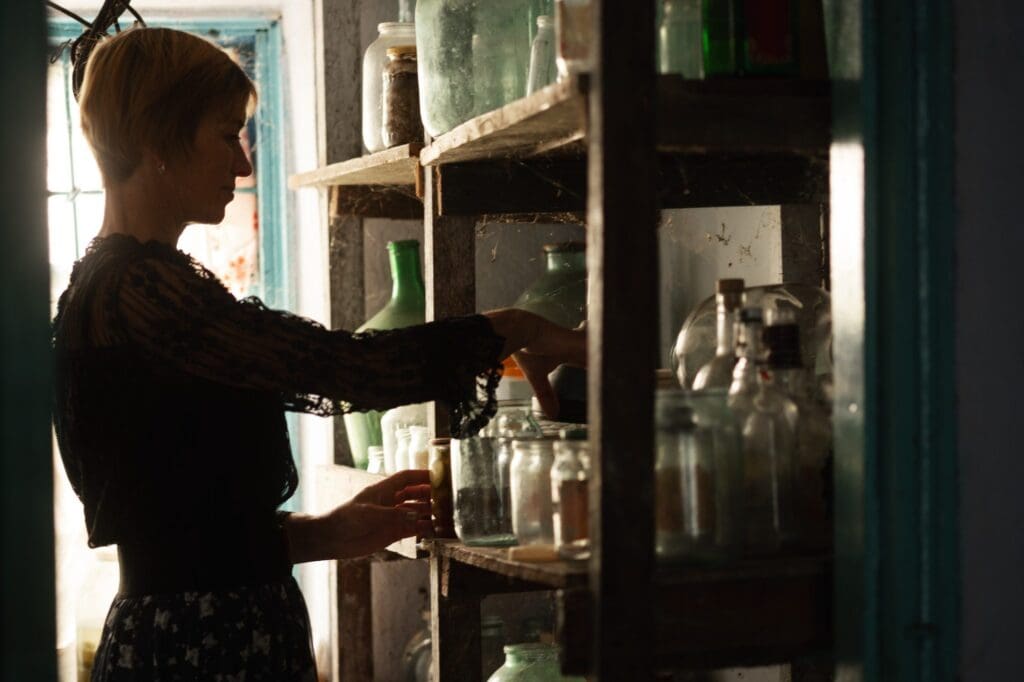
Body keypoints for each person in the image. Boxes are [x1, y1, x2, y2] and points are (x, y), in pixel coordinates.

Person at [52, 27, 586, 681]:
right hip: (205, 646)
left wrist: (323, 535)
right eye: (227, 135)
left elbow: (176, 525)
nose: (243, 164)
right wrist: (517, 326)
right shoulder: (140, 287)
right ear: (159, 141)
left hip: (197, 635)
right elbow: (344, 369)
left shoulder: (110, 286)